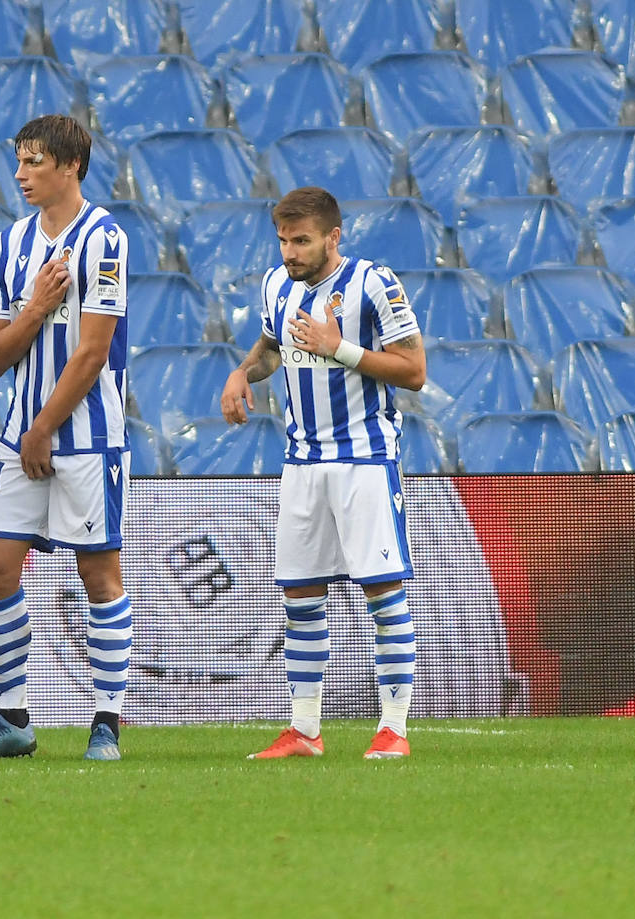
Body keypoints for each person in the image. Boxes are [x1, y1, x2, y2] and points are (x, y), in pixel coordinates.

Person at [218, 185, 427, 760]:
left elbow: (413, 370)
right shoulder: (275, 285)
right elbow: (269, 349)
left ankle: (394, 729)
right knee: (301, 594)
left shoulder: (374, 284)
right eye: (284, 240)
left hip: (363, 458)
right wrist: (242, 374)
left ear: (334, 236)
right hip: (302, 462)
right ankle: (305, 731)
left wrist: (342, 348)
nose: (290, 251)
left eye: (302, 240)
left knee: (383, 591)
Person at [0, 114, 133, 762]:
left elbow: (92, 352)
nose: (21, 173)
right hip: (22, 433)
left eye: (34, 162)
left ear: (70, 167)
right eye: (19, 161)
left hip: (83, 435)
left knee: (97, 573)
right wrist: (34, 307)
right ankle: (12, 716)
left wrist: (43, 427)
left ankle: (107, 720)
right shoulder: (8, 246)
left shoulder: (105, 238)